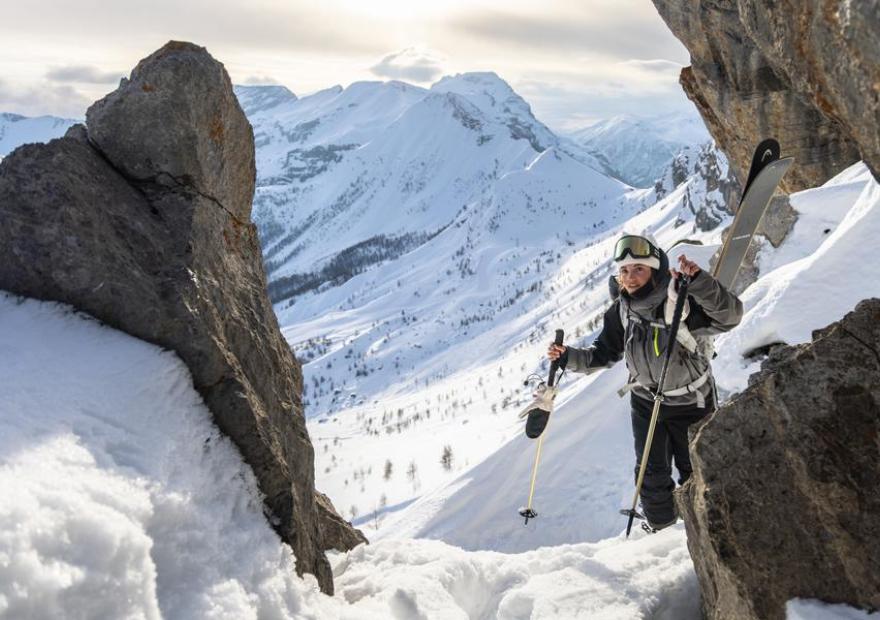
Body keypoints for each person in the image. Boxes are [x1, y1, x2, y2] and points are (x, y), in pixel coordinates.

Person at [547, 234, 743, 531]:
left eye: (639, 269)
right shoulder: (621, 310)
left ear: (655, 270)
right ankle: (661, 529)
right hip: (646, 401)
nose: (630, 277)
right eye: (624, 270)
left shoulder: (680, 300)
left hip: (692, 401)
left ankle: (712, 529)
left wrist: (699, 282)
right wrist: (567, 357)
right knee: (650, 474)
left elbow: (730, 317)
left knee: (698, 467)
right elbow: (602, 354)